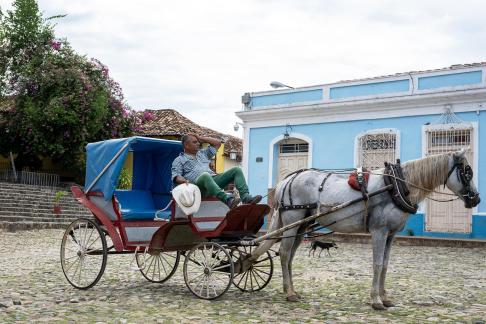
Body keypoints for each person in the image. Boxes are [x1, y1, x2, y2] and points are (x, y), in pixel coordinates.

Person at [171, 134, 262, 209]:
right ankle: (227, 200)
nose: (198, 143)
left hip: (212, 182)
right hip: (197, 188)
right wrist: (183, 180)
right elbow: (176, 176)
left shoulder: (203, 154)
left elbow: (218, 143)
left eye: (198, 142)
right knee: (205, 175)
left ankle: (245, 197)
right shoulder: (179, 160)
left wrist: (201, 138)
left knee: (236, 170)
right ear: (186, 145)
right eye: (195, 142)